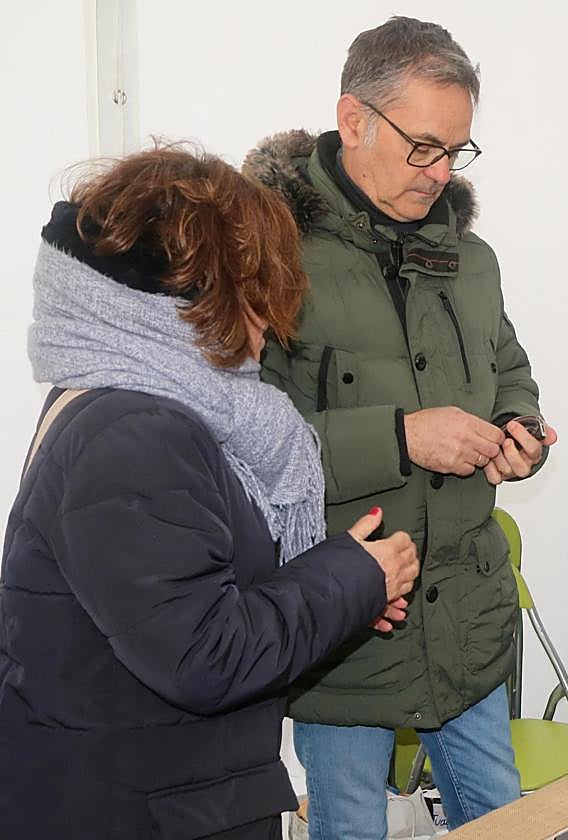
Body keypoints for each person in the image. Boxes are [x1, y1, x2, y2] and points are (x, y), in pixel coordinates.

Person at [0, 147, 422, 839]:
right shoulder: (134, 432)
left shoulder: (137, 405)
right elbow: (205, 657)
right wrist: (352, 577)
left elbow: (194, 600)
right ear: (195, 292)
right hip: (138, 812)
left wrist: (348, 589)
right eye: (254, 288)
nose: (269, 320)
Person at [242, 16, 555, 835]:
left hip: (465, 616)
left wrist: (517, 428)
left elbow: (509, 369)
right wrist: (402, 437)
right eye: (423, 147)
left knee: (501, 821)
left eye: (457, 149)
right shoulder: (269, 258)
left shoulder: (471, 259)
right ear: (353, 121)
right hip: (348, 619)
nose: (441, 171)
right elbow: (241, 448)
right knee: (350, 825)